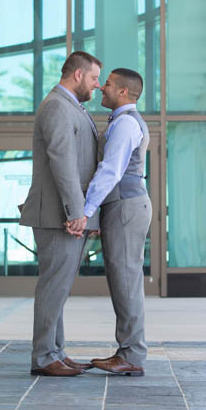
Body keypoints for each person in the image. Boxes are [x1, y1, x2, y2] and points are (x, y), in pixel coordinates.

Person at [19, 51, 102, 377]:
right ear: (78, 75)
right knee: (54, 286)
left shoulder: (70, 106)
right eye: (94, 78)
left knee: (59, 286)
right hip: (57, 216)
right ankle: (43, 356)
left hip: (64, 215)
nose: (97, 85)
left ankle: (55, 351)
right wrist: (76, 212)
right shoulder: (56, 106)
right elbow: (63, 163)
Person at [68, 68, 151, 377]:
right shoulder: (123, 121)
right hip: (124, 206)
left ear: (124, 93)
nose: (102, 87)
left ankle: (131, 354)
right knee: (123, 280)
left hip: (126, 206)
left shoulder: (126, 124)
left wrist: (85, 212)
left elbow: (110, 172)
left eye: (110, 84)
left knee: (126, 281)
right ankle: (128, 351)